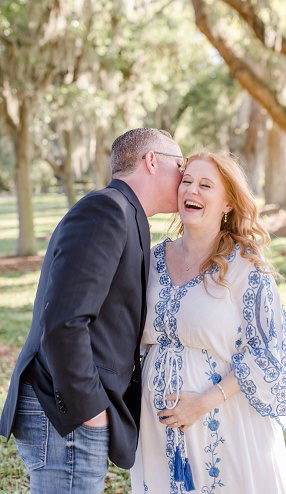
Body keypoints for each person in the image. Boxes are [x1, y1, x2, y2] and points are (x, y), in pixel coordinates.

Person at [0, 128, 183, 492]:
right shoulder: (107, 210)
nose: (185, 177)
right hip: (65, 410)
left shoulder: (128, 215)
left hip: (67, 409)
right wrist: (89, 410)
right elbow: (64, 321)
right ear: (151, 161)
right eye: (180, 165)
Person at [130, 151, 286, 493]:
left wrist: (202, 402)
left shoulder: (246, 267)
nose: (192, 191)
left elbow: (268, 350)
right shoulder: (152, 259)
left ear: (228, 203)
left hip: (225, 420)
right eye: (186, 182)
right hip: (157, 428)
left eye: (205, 185)